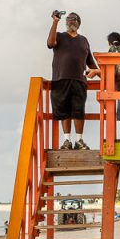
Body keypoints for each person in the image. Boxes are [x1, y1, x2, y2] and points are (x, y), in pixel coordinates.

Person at [47, 11, 100, 150]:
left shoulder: (84, 40)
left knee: (78, 111)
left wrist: (104, 76)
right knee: (64, 110)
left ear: (78, 23)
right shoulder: (59, 35)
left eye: (73, 20)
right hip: (60, 78)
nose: (71, 22)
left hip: (79, 80)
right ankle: (66, 141)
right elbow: (50, 43)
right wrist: (55, 21)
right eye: (68, 20)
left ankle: (79, 140)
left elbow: (91, 63)